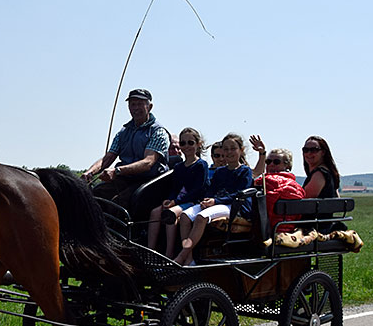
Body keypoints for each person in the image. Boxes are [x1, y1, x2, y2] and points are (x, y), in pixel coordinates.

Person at [82, 88, 170, 208]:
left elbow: (148, 162)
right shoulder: (123, 132)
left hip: (149, 181)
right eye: (132, 104)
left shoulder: (157, 131)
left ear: (149, 107)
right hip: (125, 179)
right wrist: (90, 172)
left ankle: (115, 226)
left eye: (140, 104)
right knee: (96, 194)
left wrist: (117, 171)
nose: (136, 108)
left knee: (119, 202)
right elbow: (109, 157)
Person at [174, 133, 253, 265]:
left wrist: (215, 201)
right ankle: (189, 259)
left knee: (201, 217)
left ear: (241, 150)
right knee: (184, 216)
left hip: (233, 206)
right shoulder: (220, 171)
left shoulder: (245, 171)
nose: (229, 152)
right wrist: (207, 200)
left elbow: (239, 194)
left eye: (233, 148)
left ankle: (182, 255)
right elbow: (211, 190)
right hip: (217, 203)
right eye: (226, 149)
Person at [147, 127, 208, 258]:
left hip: (192, 202)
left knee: (170, 214)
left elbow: (197, 190)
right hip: (177, 201)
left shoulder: (201, 165)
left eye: (190, 143)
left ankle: (169, 254)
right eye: (183, 143)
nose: (186, 146)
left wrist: (176, 202)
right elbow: (175, 188)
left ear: (198, 144)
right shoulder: (178, 167)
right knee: (155, 212)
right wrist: (169, 199)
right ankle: (150, 251)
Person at [302, 135, 345, 232]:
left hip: (314, 227)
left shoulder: (319, 174)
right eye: (306, 150)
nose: (309, 153)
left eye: (314, 150)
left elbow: (302, 202)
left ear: (323, 152)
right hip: (324, 224)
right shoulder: (329, 173)